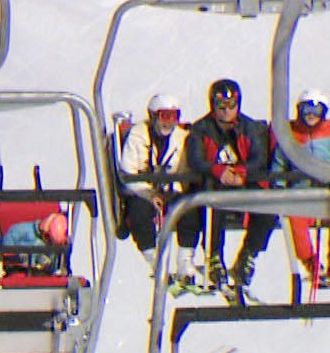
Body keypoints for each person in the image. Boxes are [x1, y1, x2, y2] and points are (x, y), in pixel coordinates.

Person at [184, 78, 278, 302]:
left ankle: (248, 255)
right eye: (221, 107)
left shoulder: (250, 127)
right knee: (214, 204)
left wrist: (242, 172)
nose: (226, 112)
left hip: (244, 183)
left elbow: (259, 157)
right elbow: (196, 159)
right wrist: (218, 171)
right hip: (215, 185)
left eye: (231, 106)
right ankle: (214, 255)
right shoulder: (201, 129)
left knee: (268, 207)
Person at [118, 94, 192, 263]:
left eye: (175, 116)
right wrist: (149, 194)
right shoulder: (137, 136)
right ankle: (154, 260)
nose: (169, 122)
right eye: (165, 116)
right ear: (153, 116)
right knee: (139, 213)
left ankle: (185, 261)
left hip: (170, 190)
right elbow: (128, 171)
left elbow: (185, 170)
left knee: (189, 209)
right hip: (141, 192)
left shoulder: (181, 138)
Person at [272, 89, 330, 287]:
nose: (311, 115)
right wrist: (279, 186)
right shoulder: (292, 135)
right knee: (295, 218)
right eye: (306, 110)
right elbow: (279, 163)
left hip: (326, 193)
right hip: (301, 192)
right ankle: (311, 264)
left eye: (315, 111)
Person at [0, 211, 70, 275]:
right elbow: (7, 245)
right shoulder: (22, 230)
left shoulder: (50, 249)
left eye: (51, 241)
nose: (48, 242)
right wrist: (16, 256)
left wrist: (47, 263)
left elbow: (53, 266)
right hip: (15, 270)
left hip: (35, 275)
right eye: (47, 237)